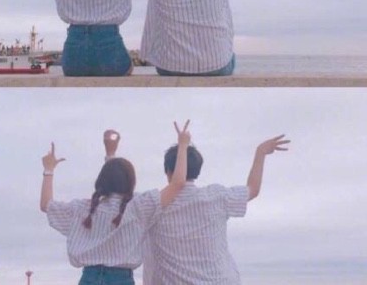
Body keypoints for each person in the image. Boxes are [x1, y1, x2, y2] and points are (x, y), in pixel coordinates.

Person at [40, 121, 190, 285]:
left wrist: (48, 170)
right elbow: (178, 184)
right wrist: (183, 145)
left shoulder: (83, 208)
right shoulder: (138, 206)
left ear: (101, 180)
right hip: (121, 279)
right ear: (131, 181)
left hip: (89, 278)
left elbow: (46, 205)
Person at [138, 134, 290, 284]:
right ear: (197, 171)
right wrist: (260, 152)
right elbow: (252, 189)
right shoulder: (216, 196)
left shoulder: (153, 205)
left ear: (168, 171)